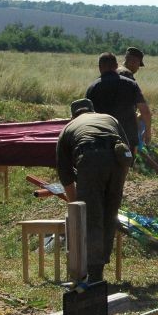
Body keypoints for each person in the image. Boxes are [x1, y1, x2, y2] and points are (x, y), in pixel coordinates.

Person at [56, 99, 131, 283]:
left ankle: (94, 274)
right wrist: (116, 184)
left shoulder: (68, 128)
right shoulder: (110, 119)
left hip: (90, 158)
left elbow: (65, 175)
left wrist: (76, 208)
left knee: (92, 217)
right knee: (109, 216)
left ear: (72, 115)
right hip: (118, 161)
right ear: (92, 110)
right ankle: (100, 265)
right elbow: (127, 152)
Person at [85, 52, 151, 152]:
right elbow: (145, 111)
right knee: (127, 161)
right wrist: (147, 132)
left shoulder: (93, 87)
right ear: (116, 66)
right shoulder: (131, 84)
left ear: (99, 67)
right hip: (127, 138)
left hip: (102, 139)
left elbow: (86, 114)